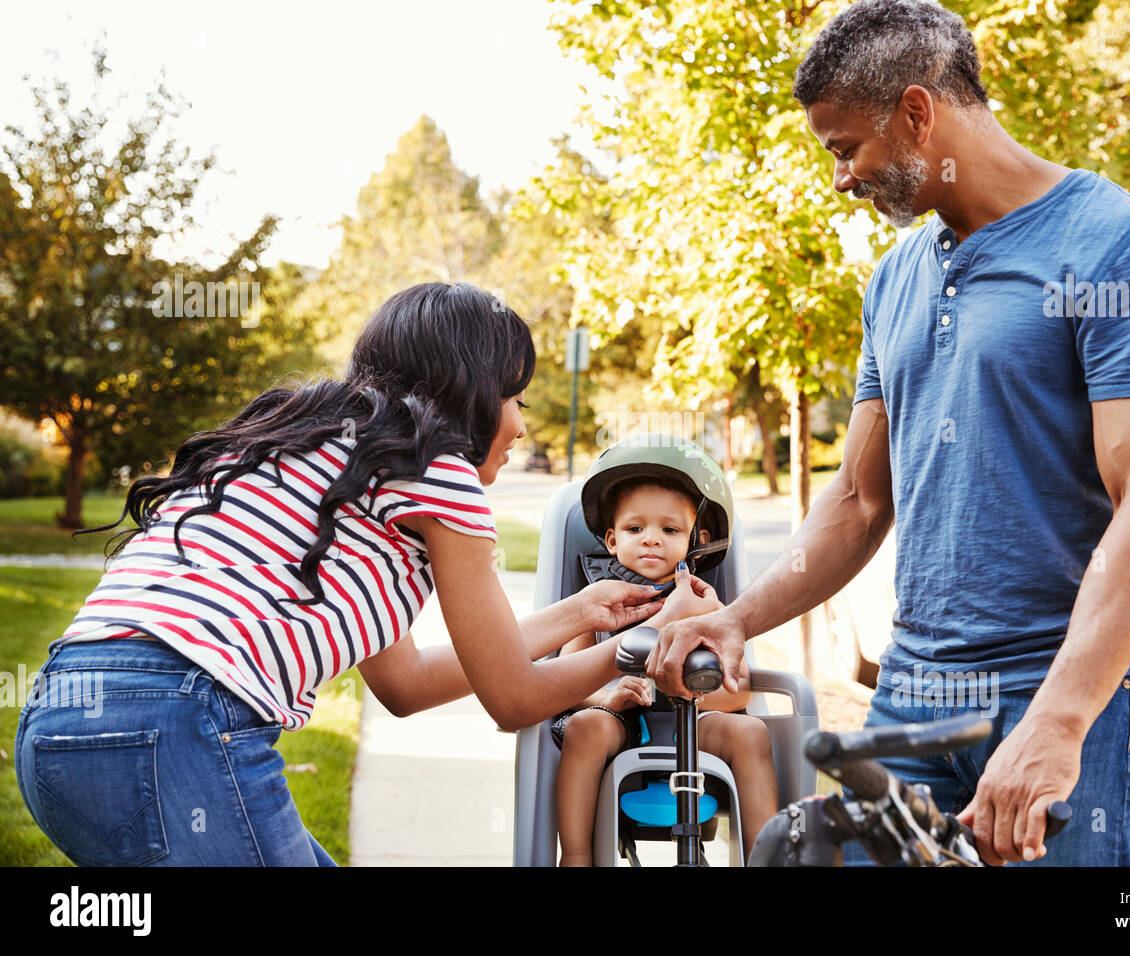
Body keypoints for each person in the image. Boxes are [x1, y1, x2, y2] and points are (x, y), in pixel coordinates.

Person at [650, 0, 1130, 867]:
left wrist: (1058, 720)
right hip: (917, 689)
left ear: (918, 113)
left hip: (1073, 690)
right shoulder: (897, 276)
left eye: (846, 149)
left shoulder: (1119, 249)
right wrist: (736, 620)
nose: (839, 177)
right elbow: (861, 497)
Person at [13, 281, 718, 867]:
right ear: (472, 392)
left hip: (58, 727)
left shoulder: (314, 448)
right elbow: (512, 698)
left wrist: (583, 612)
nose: (521, 426)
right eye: (516, 398)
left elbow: (404, 685)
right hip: (179, 722)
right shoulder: (440, 473)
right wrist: (649, 634)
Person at [550, 435, 778, 865]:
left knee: (752, 733)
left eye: (670, 530)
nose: (652, 540)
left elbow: (741, 690)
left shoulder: (703, 603)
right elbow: (565, 676)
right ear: (612, 540)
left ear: (696, 538)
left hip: (695, 723)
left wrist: (700, 690)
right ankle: (576, 857)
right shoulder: (597, 599)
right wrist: (604, 697)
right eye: (636, 529)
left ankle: (765, 858)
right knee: (584, 728)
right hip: (622, 726)